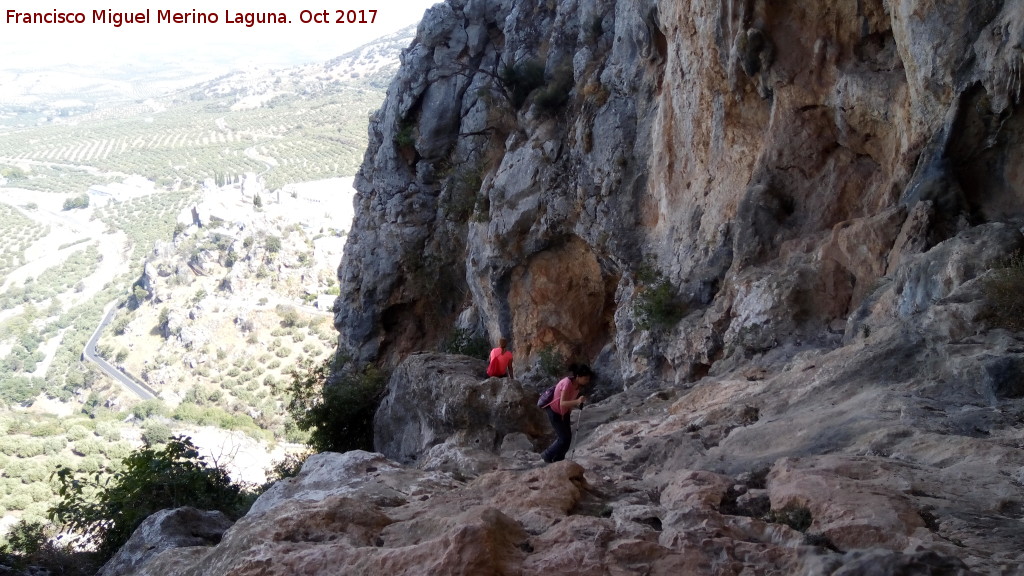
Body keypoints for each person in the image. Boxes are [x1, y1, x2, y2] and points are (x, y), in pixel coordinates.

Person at [540, 363, 593, 463]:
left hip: (564, 412)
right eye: (585, 379)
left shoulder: (577, 386)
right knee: (563, 438)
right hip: (554, 411)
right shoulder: (567, 384)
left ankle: (559, 459)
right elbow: (562, 402)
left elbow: (569, 401)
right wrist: (577, 402)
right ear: (578, 376)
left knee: (568, 438)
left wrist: (571, 409)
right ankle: (547, 455)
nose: (587, 381)